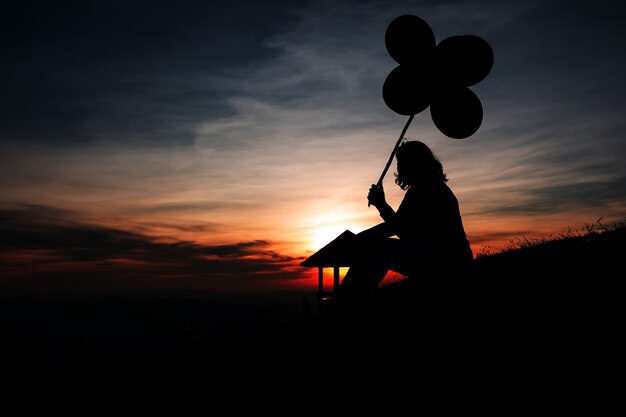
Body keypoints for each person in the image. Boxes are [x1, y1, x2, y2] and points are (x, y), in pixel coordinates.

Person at [336, 140, 473, 299]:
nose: (398, 168)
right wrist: (366, 231)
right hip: (451, 260)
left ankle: (344, 301)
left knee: (376, 249)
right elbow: (401, 227)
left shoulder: (426, 189)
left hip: (445, 263)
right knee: (376, 248)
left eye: (401, 163)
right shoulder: (429, 186)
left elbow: (398, 228)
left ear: (414, 163)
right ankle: (348, 299)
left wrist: (361, 236)